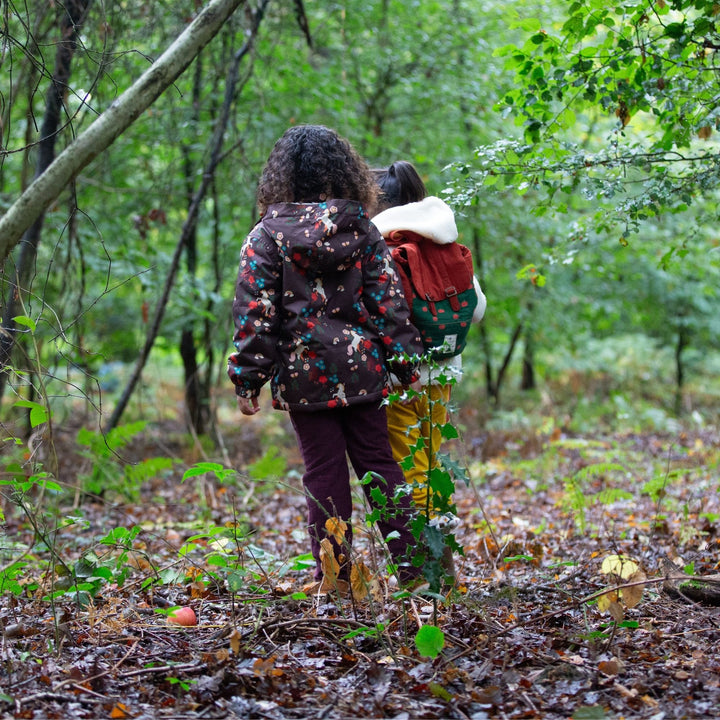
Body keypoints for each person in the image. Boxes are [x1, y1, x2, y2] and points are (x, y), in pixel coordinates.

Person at [227, 126, 426, 594]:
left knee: (323, 472)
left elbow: (256, 313)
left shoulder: (266, 237)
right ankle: (419, 576)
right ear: (344, 171)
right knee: (382, 466)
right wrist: (406, 364)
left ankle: (334, 582)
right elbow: (389, 302)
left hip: (304, 375)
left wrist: (247, 379)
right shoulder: (364, 228)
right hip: (364, 371)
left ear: (281, 177)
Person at [371, 161, 487, 582]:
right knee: (433, 461)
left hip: (400, 379)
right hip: (443, 372)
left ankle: (426, 573)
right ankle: (444, 564)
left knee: (409, 468)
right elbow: (477, 311)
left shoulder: (380, 246)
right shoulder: (445, 241)